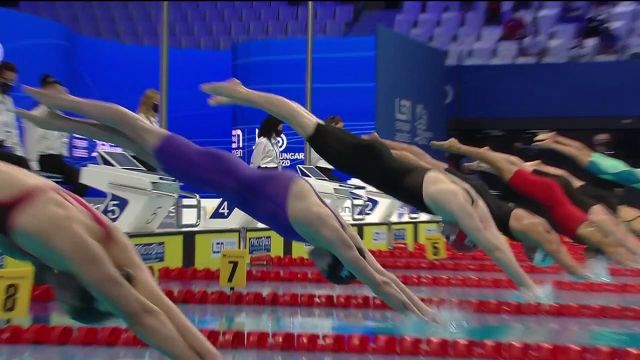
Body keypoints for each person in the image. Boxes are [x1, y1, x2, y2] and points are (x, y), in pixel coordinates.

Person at [16, 85, 440, 324]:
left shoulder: (332, 233)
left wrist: (419, 303)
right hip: (210, 174)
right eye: (325, 271)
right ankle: (61, 106)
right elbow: (378, 279)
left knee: (126, 136)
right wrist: (425, 318)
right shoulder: (327, 234)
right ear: (333, 263)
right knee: (128, 127)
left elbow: (379, 270)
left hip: (213, 174)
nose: (316, 269)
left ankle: (58, 117)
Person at [201, 78, 546, 301]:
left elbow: (418, 160)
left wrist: (385, 145)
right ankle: (242, 93)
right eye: (449, 235)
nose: (443, 233)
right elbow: (494, 245)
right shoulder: (454, 203)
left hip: (377, 161)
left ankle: (244, 94)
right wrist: (527, 286)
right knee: (304, 121)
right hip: (367, 165)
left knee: (306, 123)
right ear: (461, 230)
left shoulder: (467, 195)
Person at [0, 162, 222, 359]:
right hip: (31, 202)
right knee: (137, 309)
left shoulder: (73, 245)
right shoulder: (73, 247)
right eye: (65, 303)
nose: (59, 300)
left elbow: (150, 312)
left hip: (33, 204)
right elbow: (141, 315)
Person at [367, 134, 588, 278]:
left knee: (418, 158)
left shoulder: (525, 230)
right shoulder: (531, 230)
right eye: (533, 257)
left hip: (476, 195)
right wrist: (579, 274)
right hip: (472, 195)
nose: (527, 257)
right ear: (540, 248)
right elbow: (553, 245)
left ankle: (378, 142)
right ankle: (375, 149)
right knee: (414, 162)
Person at [431, 138, 640, 267]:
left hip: (575, 201)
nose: (527, 252)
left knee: (521, 170)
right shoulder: (543, 227)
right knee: (517, 170)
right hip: (574, 201)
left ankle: (485, 159)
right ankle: (483, 157)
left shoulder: (541, 226)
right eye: (531, 253)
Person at [23, 74, 88, 196]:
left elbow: (63, 139)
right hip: (44, 160)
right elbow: (31, 144)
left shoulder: (59, 115)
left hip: (58, 160)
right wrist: (34, 168)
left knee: (82, 179)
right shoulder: (35, 115)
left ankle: (69, 206)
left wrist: (63, 155)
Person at [533, 132, 640, 190]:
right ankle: (552, 144)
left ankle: (557, 138)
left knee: (587, 152)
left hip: (619, 168)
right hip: (613, 171)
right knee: (580, 155)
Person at [0, 61, 29, 170]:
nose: (8, 84)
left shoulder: (8, 101)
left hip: (3, 149)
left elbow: (13, 134)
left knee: (21, 163)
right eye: (5, 79)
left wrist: (21, 155)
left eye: (11, 81)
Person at [308, 115, 343, 180]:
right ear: (332, 125)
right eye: (340, 128)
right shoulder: (320, 137)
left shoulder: (333, 139)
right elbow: (313, 156)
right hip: (320, 169)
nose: (341, 131)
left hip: (327, 170)